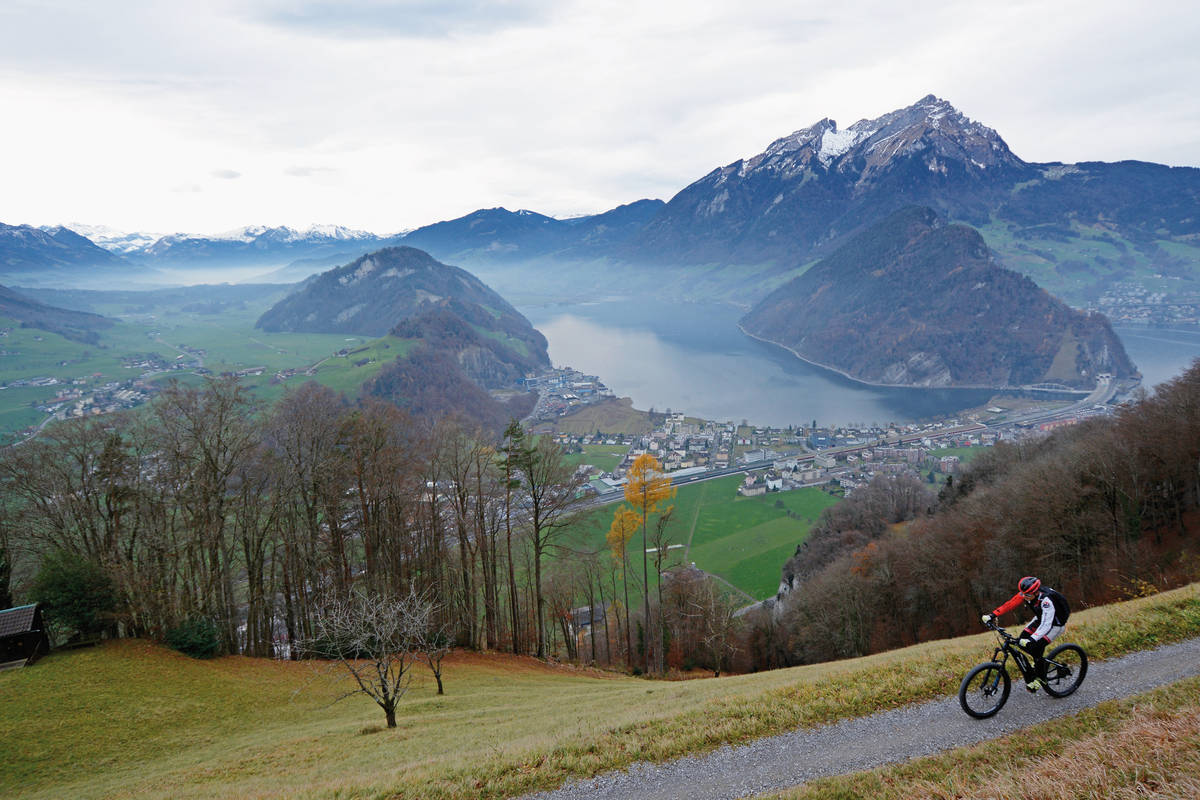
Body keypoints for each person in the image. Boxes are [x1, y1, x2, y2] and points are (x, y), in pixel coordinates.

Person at [981, 576, 1070, 692]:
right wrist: (992, 615)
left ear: (1036, 592)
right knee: (1022, 641)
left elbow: (1047, 624)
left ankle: (1040, 678)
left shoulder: (1046, 600)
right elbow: (1010, 604)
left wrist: (1032, 639)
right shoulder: (1026, 594)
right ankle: (1037, 664)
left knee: (1035, 645)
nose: (1024, 597)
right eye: (1023, 594)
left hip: (1055, 625)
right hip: (1040, 618)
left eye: (1027, 595)